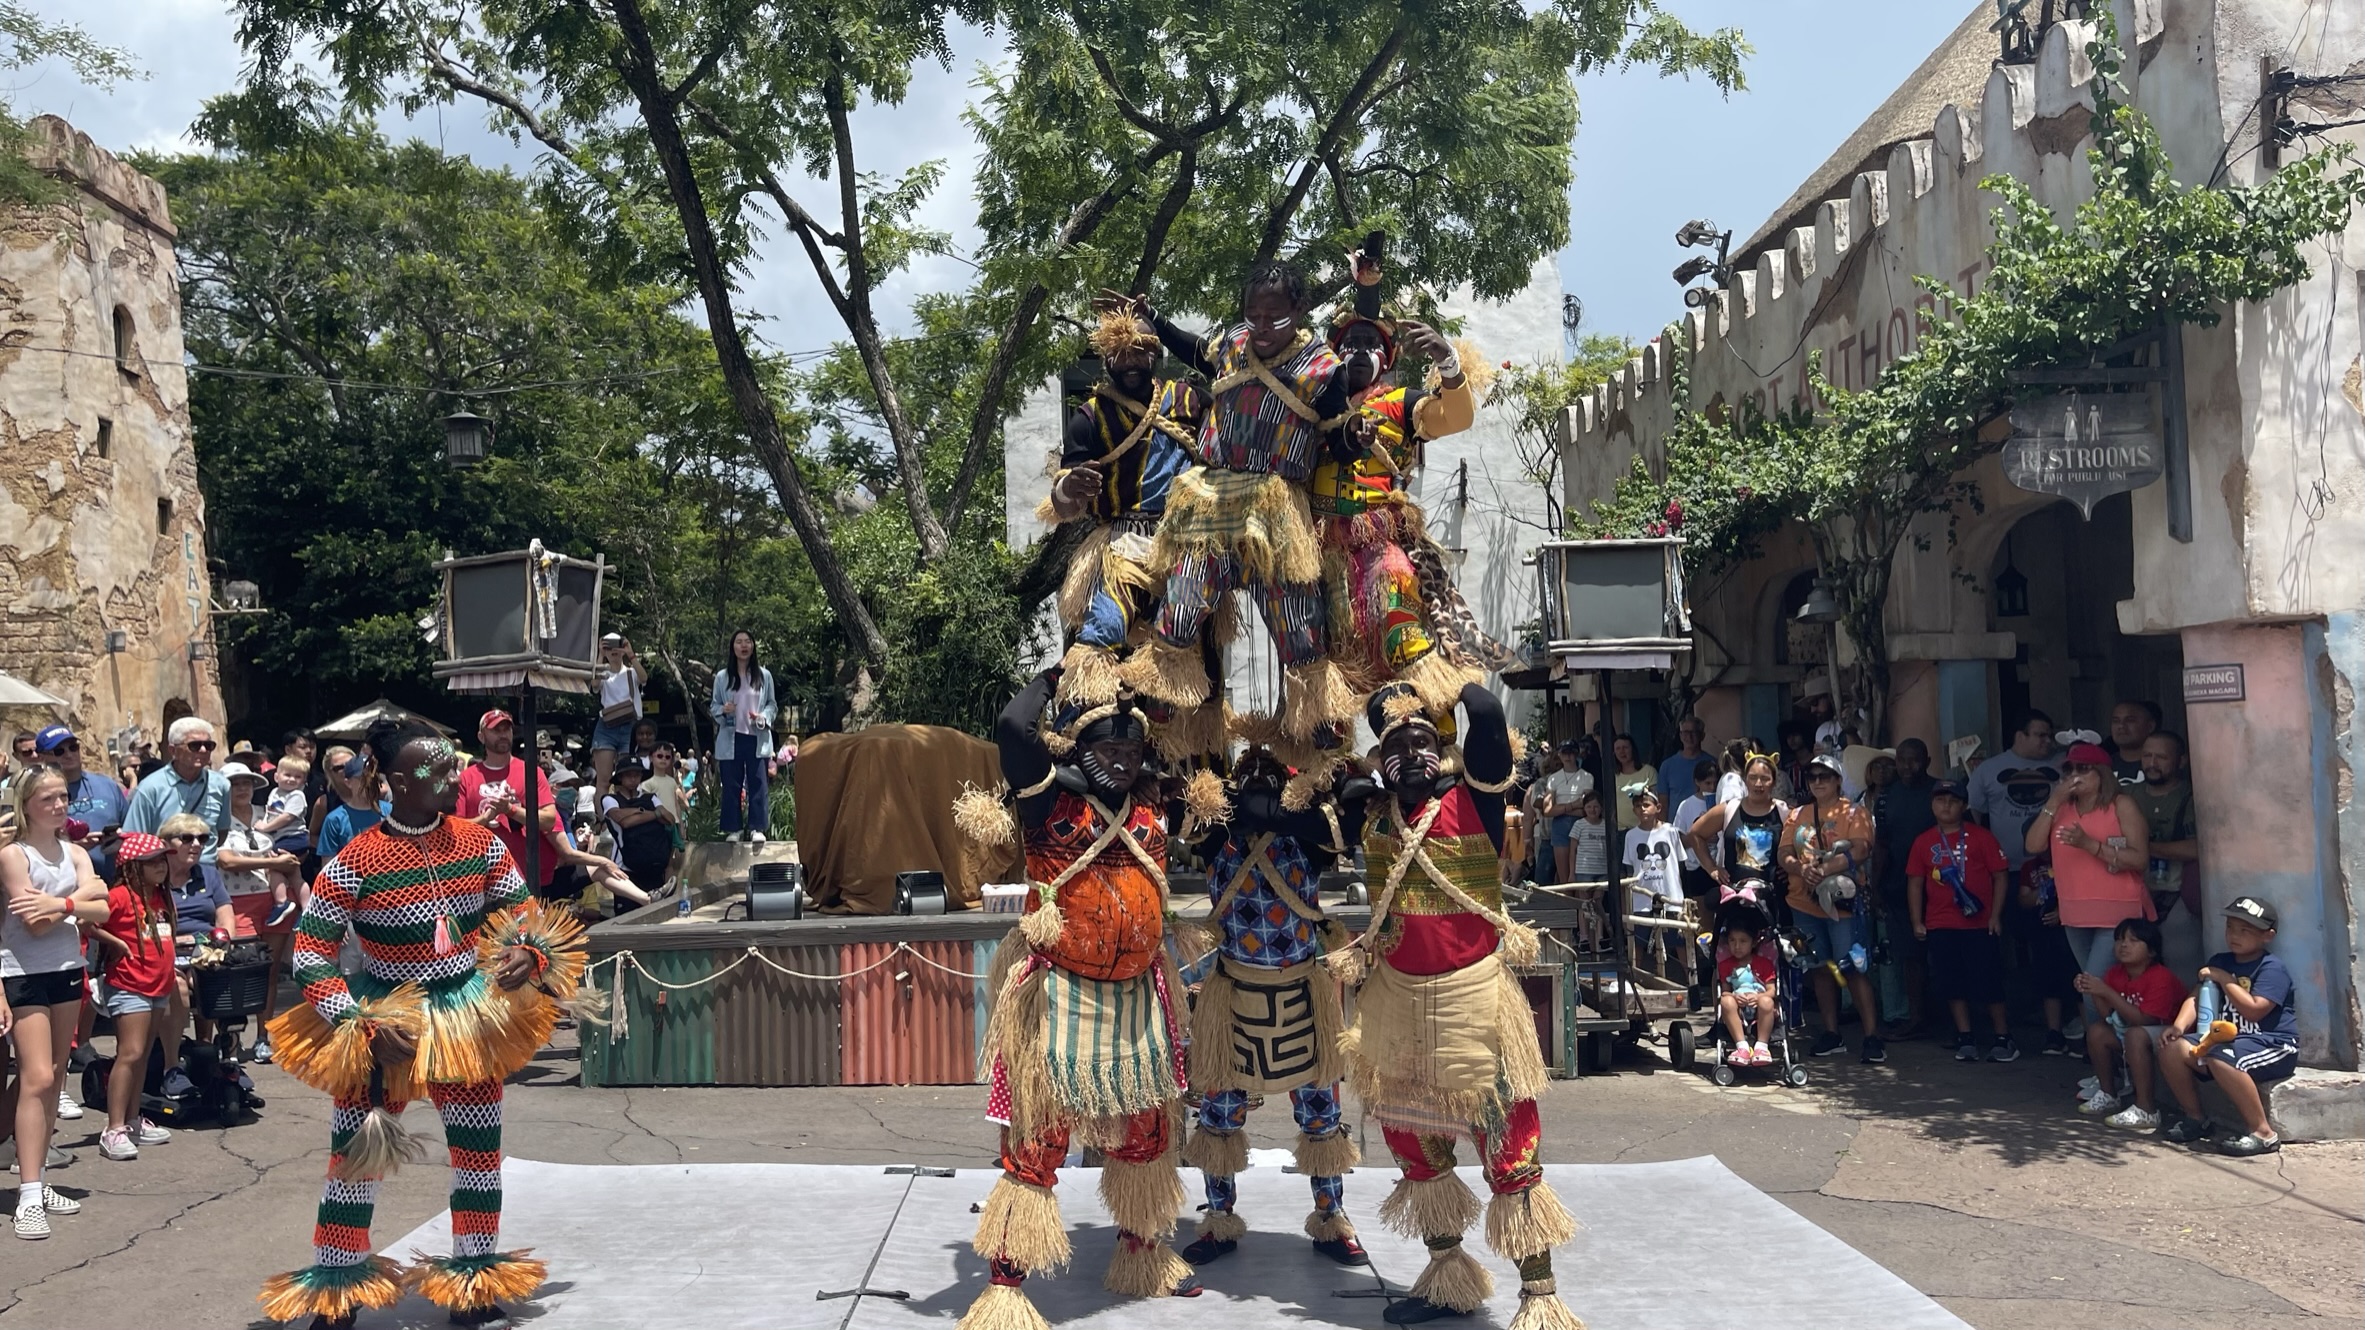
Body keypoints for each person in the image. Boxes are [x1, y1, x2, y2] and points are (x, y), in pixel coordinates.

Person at [260, 719, 578, 1329]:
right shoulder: (353, 862)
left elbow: (524, 911)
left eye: (451, 765)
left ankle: (474, 1280)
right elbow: (308, 954)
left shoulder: (480, 844)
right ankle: (337, 1289)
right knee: (356, 1156)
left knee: (478, 1154)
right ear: (399, 781)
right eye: (437, 770)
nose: (453, 776)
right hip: (385, 1023)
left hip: (468, 1015)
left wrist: (527, 949)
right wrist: (357, 1021)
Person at [1328, 680, 1583, 1330]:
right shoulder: (1376, 817)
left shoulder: (1472, 800)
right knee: (1414, 1146)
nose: (1411, 755)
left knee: (1507, 1150)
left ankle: (1540, 1297)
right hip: (1397, 1006)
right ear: (1380, 759)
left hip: (1474, 1003)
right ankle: (1448, 1279)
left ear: (1441, 751)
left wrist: (1451, 682)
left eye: (1423, 743)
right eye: (1396, 746)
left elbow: (1490, 723)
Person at [961, 667, 1196, 1326]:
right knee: (1038, 1143)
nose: (1121, 763)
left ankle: (1142, 1254)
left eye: (1130, 752)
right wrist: (1060, 672)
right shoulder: (1047, 805)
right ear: (1077, 750)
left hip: (1136, 1002)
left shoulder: (1151, 807)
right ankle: (1005, 1288)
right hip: (1060, 998)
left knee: (1146, 1137)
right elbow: (1013, 727)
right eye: (1107, 751)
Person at [1132, 260, 1359, 744]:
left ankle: (1316, 726)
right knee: (1183, 597)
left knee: (1297, 620)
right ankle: (1162, 704)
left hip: (1275, 510)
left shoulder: (1325, 369)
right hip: (1212, 501)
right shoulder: (1233, 344)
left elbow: (1339, 440)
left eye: (1272, 316)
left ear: (1298, 312)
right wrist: (1155, 321)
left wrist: (1354, 437)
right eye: (1252, 314)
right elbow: (1196, 350)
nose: (1260, 326)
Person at [1175, 746, 1365, 1270]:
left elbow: (1346, 804)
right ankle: (1218, 1220)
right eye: (1246, 773)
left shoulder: (1309, 836)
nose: (1256, 778)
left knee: (1323, 1119)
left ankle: (1332, 1220)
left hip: (1302, 997)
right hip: (1231, 999)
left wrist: (1323, 742)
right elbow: (1187, 804)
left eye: (1269, 772)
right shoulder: (1216, 834)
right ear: (1231, 786)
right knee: (1218, 1118)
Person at [1309, 266, 1499, 712]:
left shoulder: (1402, 403)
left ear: (1387, 359)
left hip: (1381, 543)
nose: (1359, 352)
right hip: (1320, 552)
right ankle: (1328, 768)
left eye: (1370, 345)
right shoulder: (1312, 407)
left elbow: (1457, 418)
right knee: (1327, 659)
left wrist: (1448, 362)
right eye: (1349, 345)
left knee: (1401, 630)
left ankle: (1437, 735)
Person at [1039, 295, 1208, 720]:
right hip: (1124, 545)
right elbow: (1062, 501)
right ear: (1107, 359)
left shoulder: (1189, 400)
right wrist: (1071, 486)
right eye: (1121, 354)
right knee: (1104, 629)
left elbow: (1219, 364)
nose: (1132, 362)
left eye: (1142, 352)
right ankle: (1072, 727)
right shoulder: (1090, 416)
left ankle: (1191, 759)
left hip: (1187, 550)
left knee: (1190, 651)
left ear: (1157, 354)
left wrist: (1156, 317)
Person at [1, 767, 110, 1238]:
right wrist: (78, 901)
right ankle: (27, 1194)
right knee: (38, 1077)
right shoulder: (13, 855)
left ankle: (38, 1175)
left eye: (63, 796)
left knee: (56, 1075)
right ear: (27, 804)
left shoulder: (76, 852)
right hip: (23, 974)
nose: (60, 805)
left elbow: (103, 905)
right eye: (48, 798)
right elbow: (33, 925)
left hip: (68, 970)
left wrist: (62, 904)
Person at [2156, 896, 2297, 1156]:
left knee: (2220, 1056)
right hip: (2226, 1042)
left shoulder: (2271, 968)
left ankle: (2264, 1134)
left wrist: (2224, 979)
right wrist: (2178, 1026)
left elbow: (2254, 1011)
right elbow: (2197, 996)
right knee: (2171, 1048)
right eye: (2231, 927)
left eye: (2245, 930)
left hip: (2273, 1044)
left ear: (2268, 935)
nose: (2235, 935)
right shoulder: (2221, 960)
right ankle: (2196, 1119)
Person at [2024, 741, 2151, 1027]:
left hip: (2117, 911)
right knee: (2095, 986)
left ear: (2102, 773)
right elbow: (2032, 845)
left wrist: (2090, 845)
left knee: (2093, 986)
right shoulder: (2061, 808)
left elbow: (2140, 858)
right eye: (2068, 769)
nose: (2074, 775)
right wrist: (2053, 802)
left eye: (2083, 768)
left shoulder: (2122, 804)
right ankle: (2110, 1060)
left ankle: (2112, 1057)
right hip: (2074, 911)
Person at [1781, 755, 1884, 1063]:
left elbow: (1862, 849)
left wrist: (1823, 869)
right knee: (1820, 969)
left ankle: (1872, 1036)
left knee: (1852, 967)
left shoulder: (1855, 812)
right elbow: (1784, 852)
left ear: (1838, 780)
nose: (1818, 781)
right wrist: (1801, 869)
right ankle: (1831, 1032)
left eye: (1825, 775)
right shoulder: (1797, 813)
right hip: (1804, 901)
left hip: (1843, 903)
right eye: (1812, 776)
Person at [88, 832, 182, 1162]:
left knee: (142, 1055)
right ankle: (113, 1128)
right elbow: (86, 922)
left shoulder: (160, 897)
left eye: (163, 860)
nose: (161, 866)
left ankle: (132, 1120)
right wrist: (116, 943)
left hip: (158, 987)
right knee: (129, 1053)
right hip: (129, 986)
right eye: (152, 861)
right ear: (132, 867)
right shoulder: (118, 896)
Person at [1906, 780, 2015, 1061]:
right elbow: (1915, 883)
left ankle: (2003, 1037)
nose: (1946, 806)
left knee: (1988, 981)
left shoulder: (1982, 837)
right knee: (1951, 982)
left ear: (1964, 805)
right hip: (1941, 922)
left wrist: (1995, 915)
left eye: (1953, 801)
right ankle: (1965, 1036)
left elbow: (2001, 876)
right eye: (1940, 800)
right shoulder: (1923, 841)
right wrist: (1917, 920)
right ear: (1931, 805)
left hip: (1980, 923)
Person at [213, 763, 301, 1060]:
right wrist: (272, 863)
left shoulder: (268, 814)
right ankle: (231, 1040)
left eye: (247, 782)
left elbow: (290, 844)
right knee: (238, 970)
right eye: (235, 783)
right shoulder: (217, 820)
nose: (242, 788)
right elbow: (226, 861)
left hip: (274, 898)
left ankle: (263, 1037)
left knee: (270, 971)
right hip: (237, 901)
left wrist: (281, 861)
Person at [2072, 918, 2186, 1129]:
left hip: (2167, 1035)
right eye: (2120, 940)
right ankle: (2108, 1093)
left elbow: (2144, 1020)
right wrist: (2093, 990)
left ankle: (2147, 1109)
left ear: (2151, 951)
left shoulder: (2161, 977)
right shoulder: (2115, 973)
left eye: (2134, 940)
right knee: (2097, 1031)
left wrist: (2105, 991)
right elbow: (2109, 1016)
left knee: (2136, 1034)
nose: (2124, 945)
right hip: (2132, 1031)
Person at [1871, 738, 1939, 1039]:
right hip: (1898, 884)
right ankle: (1916, 1018)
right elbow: (1882, 844)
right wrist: (1874, 886)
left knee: (1942, 956)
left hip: (1941, 884)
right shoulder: (1886, 796)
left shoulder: (1940, 792)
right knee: (1909, 957)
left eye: (1913, 760)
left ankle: (1951, 1021)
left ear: (1927, 759)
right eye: (1901, 760)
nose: (1907, 767)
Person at [458, 710, 562, 897]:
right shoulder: (467, 777)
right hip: (482, 877)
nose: (503, 734)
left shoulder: (532, 772)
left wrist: (511, 810)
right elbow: (457, 829)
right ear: (481, 737)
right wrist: (486, 817)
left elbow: (549, 820)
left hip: (527, 874)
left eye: (507, 729)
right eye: (496, 730)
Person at [123, 717, 234, 875]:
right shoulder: (150, 788)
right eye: (194, 745)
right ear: (173, 750)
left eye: (208, 745)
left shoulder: (221, 785)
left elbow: (221, 833)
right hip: (165, 875)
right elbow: (134, 838)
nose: (203, 750)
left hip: (207, 873)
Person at [2127, 731, 2200, 966]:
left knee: (2181, 968)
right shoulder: (2127, 795)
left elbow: (2198, 849)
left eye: (2161, 757)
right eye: (2147, 755)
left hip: (2178, 894)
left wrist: (2144, 849)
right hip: (2132, 893)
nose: (2152, 763)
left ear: (2182, 760)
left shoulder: (2192, 796)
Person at [1689, 752, 1787, 905]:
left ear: (1774, 782)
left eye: (1765, 778)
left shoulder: (1785, 812)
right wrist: (1712, 868)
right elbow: (1695, 834)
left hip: (1774, 901)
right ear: (1745, 780)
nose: (1758, 784)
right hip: (1732, 899)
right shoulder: (1729, 809)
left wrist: (1790, 868)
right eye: (1753, 777)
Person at [36, 726, 127, 885]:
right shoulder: (38, 795)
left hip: (116, 883)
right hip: (67, 888)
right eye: (59, 751)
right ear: (42, 757)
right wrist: (73, 846)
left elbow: (130, 827)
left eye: (73, 747)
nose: (69, 754)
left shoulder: (107, 785)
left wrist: (118, 837)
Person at [708, 631, 776, 844]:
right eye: (739, 642)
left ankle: (757, 828)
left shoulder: (764, 675)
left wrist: (763, 717)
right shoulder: (722, 677)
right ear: (733, 647)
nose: (744, 646)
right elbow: (714, 706)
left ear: (753, 646)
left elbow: (772, 704)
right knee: (731, 785)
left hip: (756, 737)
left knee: (758, 783)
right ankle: (733, 829)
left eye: (748, 642)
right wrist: (723, 709)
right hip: (731, 737)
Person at [1622, 788, 1686, 979]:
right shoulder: (1630, 836)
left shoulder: (1670, 831)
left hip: (1670, 896)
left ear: (1657, 807)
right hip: (1642, 897)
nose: (1642, 809)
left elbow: (1680, 862)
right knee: (1639, 942)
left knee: (1679, 942)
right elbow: (1628, 868)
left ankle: (1692, 983)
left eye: (1646, 805)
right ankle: (1635, 981)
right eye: (1638, 806)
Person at [600, 759, 675, 901]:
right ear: (620, 777)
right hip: (624, 870)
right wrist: (653, 814)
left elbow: (669, 818)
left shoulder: (651, 797)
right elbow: (622, 820)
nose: (633, 778)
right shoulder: (609, 799)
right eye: (628, 775)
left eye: (637, 774)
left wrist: (638, 815)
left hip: (654, 866)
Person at [1715, 911, 1779, 1065]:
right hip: (1738, 1005)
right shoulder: (1725, 965)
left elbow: (1772, 990)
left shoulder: (1765, 964)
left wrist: (1758, 997)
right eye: (1732, 941)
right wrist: (1735, 997)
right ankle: (1741, 1046)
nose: (1737, 946)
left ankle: (1762, 1047)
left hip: (1761, 1007)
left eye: (1743, 941)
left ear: (1754, 942)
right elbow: (1725, 991)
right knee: (1726, 1000)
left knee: (1766, 1001)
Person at [589, 632, 643, 803]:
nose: (613, 650)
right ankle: (603, 821)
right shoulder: (603, 673)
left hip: (629, 726)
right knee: (603, 781)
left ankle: (626, 816)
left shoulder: (631, 672)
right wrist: (600, 654)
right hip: (607, 727)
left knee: (626, 780)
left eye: (616, 646)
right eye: (609, 646)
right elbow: (595, 685)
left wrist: (630, 653)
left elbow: (644, 677)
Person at [315, 750, 389, 863]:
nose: (369, 783)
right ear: (348, 782)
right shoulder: (334, 820)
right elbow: (327, 865)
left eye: (373, 778)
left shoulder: (392, 811)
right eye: (362, 779)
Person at [1543, 741, 1592, 887]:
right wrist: (1574, 804)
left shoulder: (1586, 777)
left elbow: (1586, 808)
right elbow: (1547, 810)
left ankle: (1581, 908)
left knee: (1580, 874)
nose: (1568, 756)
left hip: (1580, 823)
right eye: (1564, 752)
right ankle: (1570, 908)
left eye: (1571, 752)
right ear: (1559, 754)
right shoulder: (1553, 778)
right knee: (1564, 877)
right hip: (1560, 824)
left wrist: (1561, 808)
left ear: (1576, 754)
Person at [1671, 763, 1721, 902]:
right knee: (1700, 909)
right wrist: (1699, 837)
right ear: (1697, 782)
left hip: (1719, 863)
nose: (1712, 788)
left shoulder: (1723, 802)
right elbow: (1678, 840)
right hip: (1696, 866)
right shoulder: (1687, 805)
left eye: (1715, 783)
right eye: (1707, 783)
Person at [1569, 791, 1610, 954]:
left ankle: (1599, 937)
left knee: (1598, 904)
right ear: (1584, 808)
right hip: (1583, 870)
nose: (1592, 810)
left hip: (1601, 870)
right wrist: (1572, 873)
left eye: (1596, 807)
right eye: (1589, 806)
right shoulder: (1579, 825)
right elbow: (1572, 850)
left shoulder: (1606, 825)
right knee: (1584, 904)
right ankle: (1584, 937)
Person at [1655, 716, 1712, 805]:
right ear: (1680, 735)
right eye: (1685, 732)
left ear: (1702, 736)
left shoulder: (1712, 763)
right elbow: (1663, 803)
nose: (1689, 737)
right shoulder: (1667, 766)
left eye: (1694, 732)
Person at [1606, 734, 1655, 828]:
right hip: (1619, 830)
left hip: (1643, 828)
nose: (1622, 752)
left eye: (1625, 747)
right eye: (1618, 748)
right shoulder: (1612, 775)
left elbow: (1655, 799)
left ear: (1633, 749)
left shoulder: (1648, 771)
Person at [2107, 699, 2160, 783]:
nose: (2121, 726)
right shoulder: (2103, 766)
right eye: (2116, 721)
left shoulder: (2159, 766)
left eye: (2130, 720)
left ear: (2150, 726)